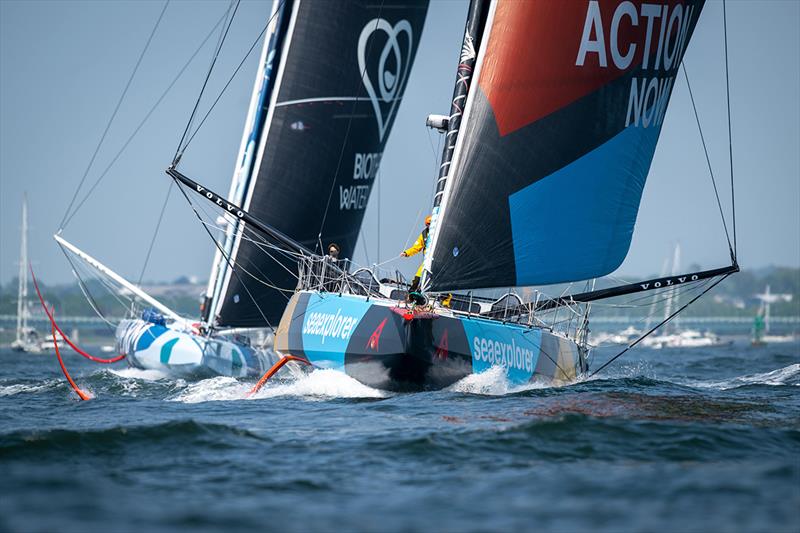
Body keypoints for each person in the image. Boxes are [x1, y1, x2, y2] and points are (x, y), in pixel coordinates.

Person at [401, 215, 430, 293]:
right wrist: (406, 253)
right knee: (417, 278)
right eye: (427, 224)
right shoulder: (424, 234)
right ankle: (411, 296)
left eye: (430, 223)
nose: (429, 225)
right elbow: (416, 247)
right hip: (427, 261)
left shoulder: (440, 232)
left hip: (438, 261)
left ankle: (445, 302)